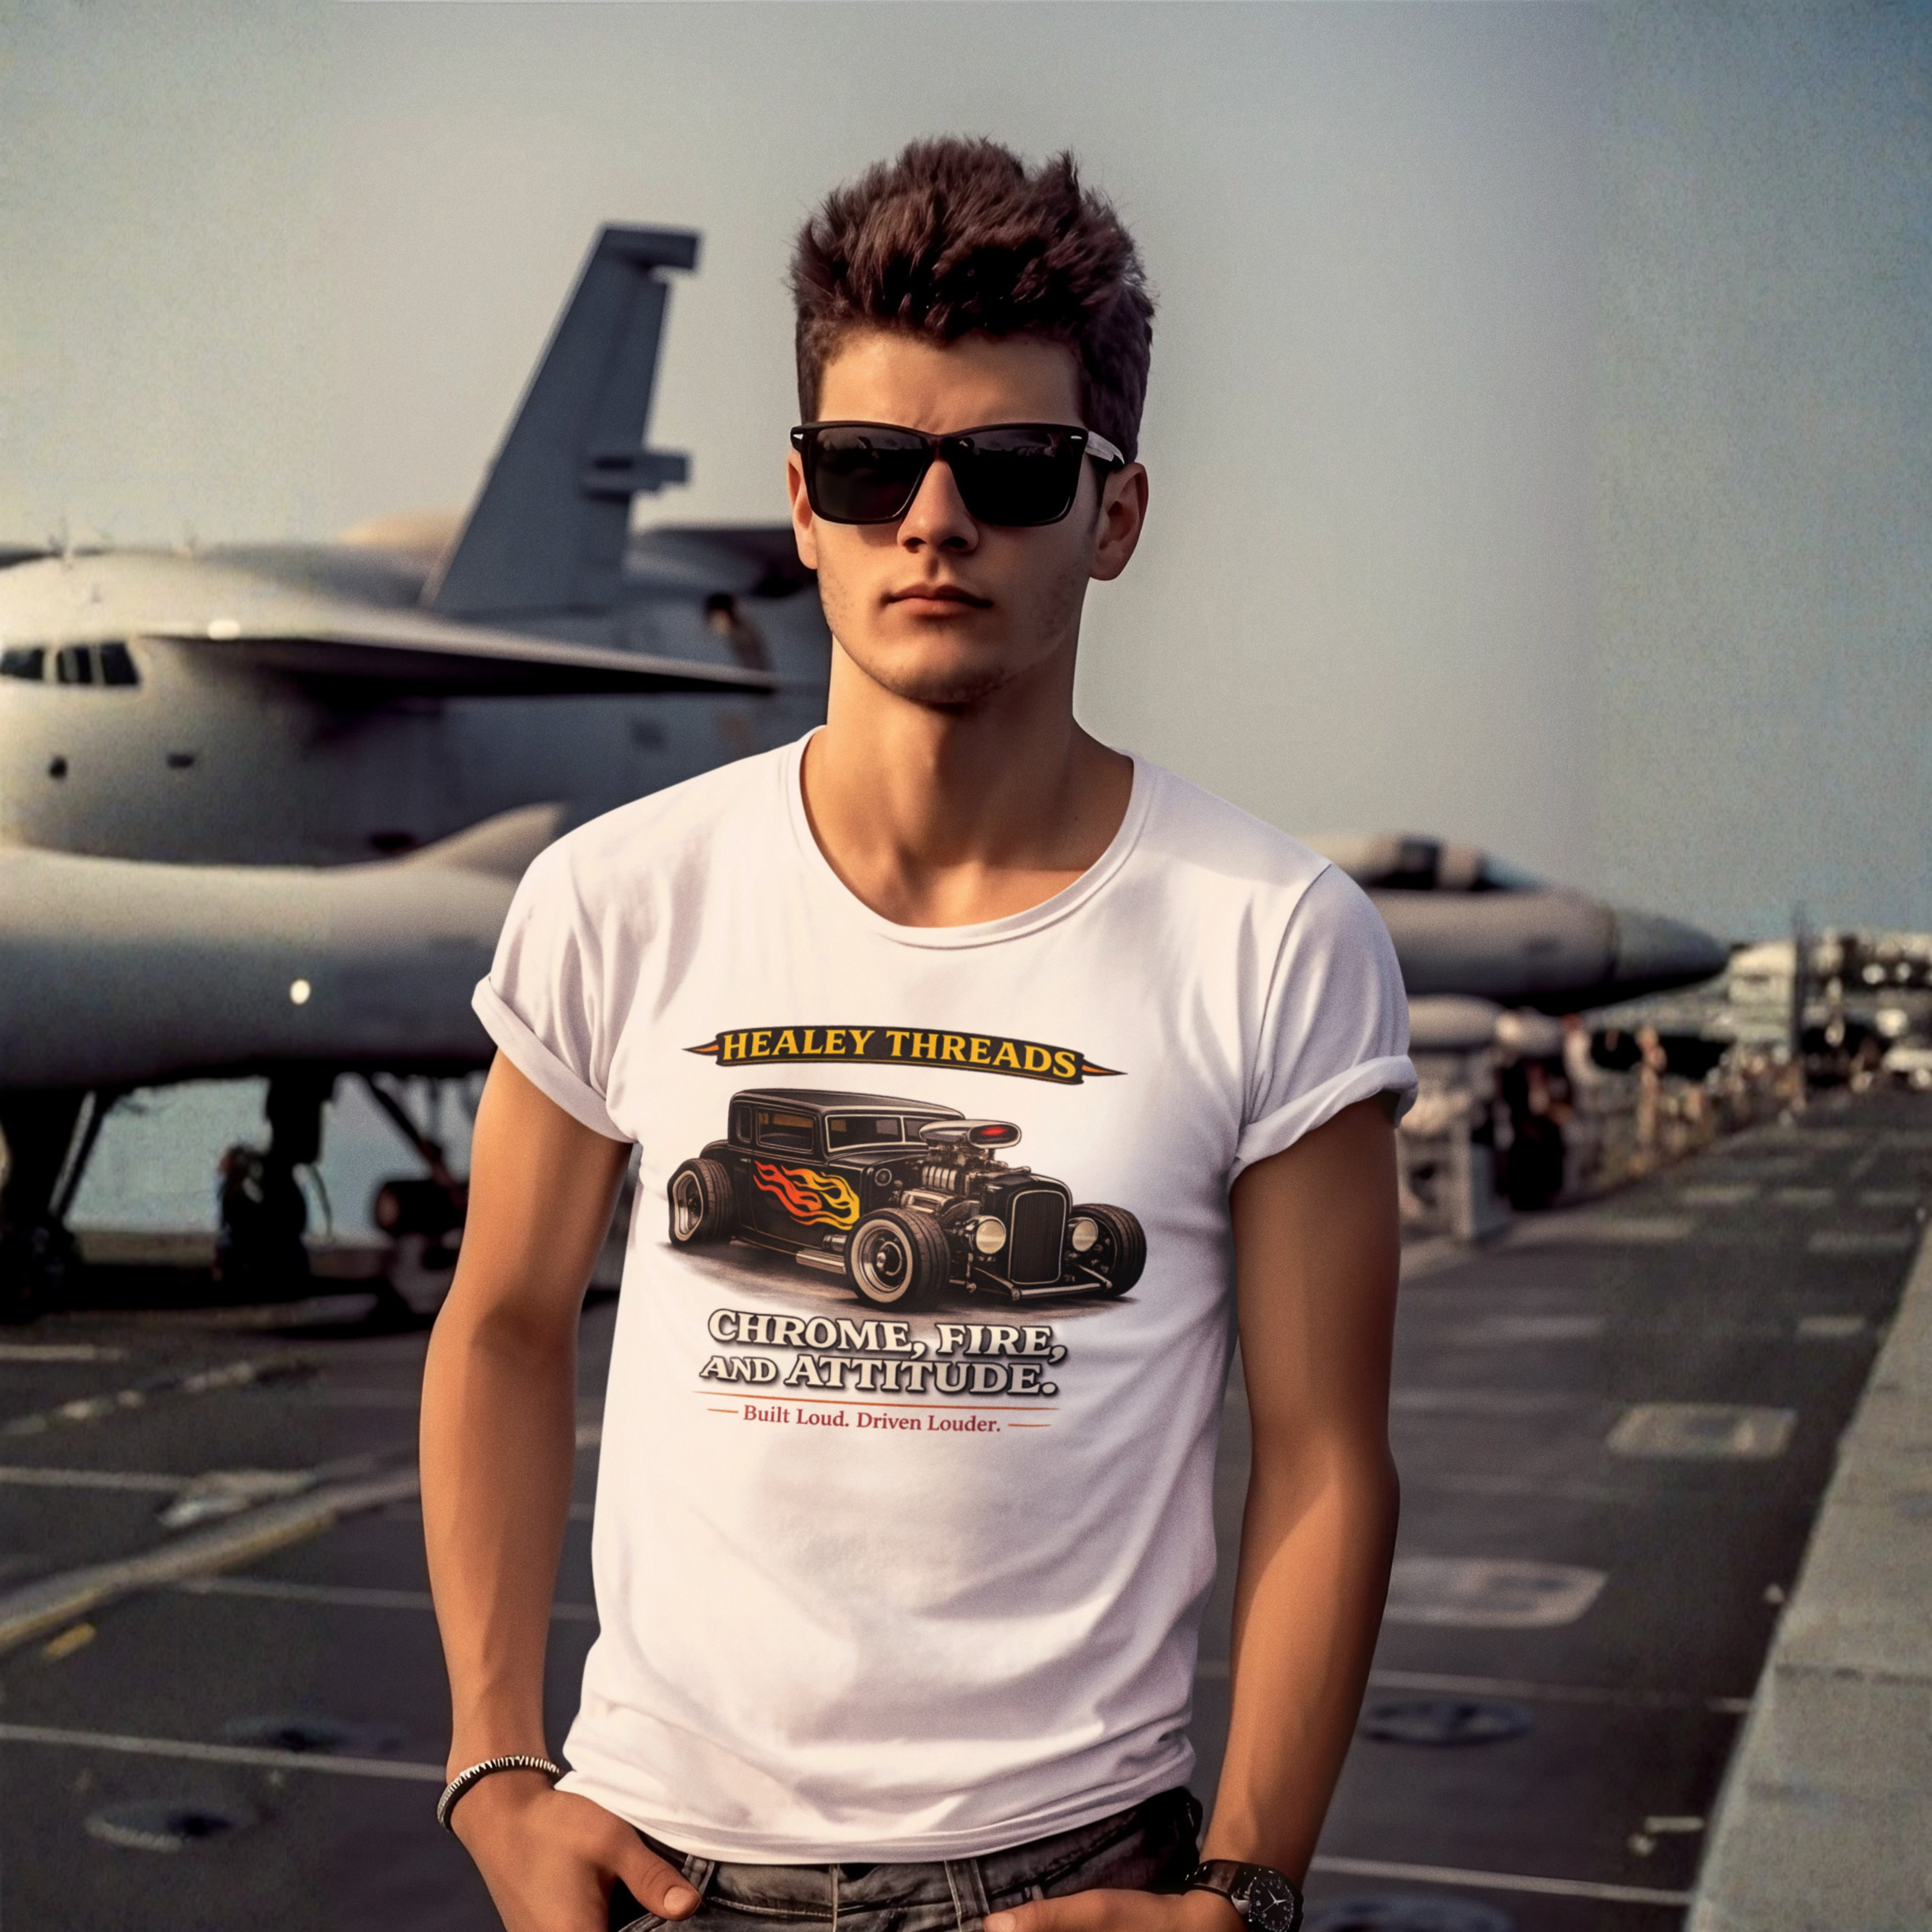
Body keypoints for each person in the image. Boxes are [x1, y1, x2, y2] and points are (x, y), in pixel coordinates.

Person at [421, 138, 1415, 1932]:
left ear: (1113, 514)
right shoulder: (613, 897)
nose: (934, 522)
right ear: (803, 501)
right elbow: (499, 1323)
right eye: (875, 468)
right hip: (650, 1869)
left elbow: (1328, 1449)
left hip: (1069, 1876)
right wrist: (495, 1766)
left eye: (1013, 471)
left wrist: (1245, 1894)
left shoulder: (1271, 938)